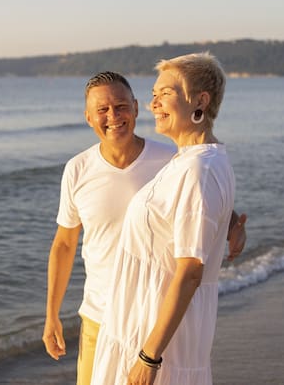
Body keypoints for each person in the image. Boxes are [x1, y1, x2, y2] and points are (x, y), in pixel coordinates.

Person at [42, 71, 247, 385]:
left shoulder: (171, 160)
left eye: (121, 106)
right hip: (99, 314)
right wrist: (52, 315)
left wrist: (233, 223)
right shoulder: (77, 170)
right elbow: (65, 244)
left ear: (136, 108)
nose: (114, 116)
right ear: (88, 117)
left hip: (152, 316)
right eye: (102, 110)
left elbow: (201, 198)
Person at [89, 52, 234, 385]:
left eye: (165, 94)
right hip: (139, 329)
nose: (154, 104)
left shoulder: (198, 170)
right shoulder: (190, 161)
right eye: (153, 95)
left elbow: (190, 273)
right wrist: (231, 227)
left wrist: (148, 357)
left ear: (200, 101)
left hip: (155, 343)